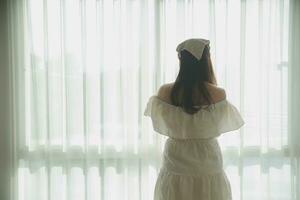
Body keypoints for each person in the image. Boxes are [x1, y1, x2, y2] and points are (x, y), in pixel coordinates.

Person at [143, 38, 245, 200]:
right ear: (207, 60)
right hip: (206, 157)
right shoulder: (218, 94)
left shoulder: (164, 92)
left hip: (176, 157)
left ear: (181, 61)